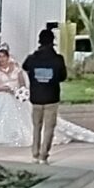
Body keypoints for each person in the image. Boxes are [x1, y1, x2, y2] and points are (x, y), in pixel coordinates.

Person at [21, 23, 67, 162]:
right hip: (52, 98)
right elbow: (63, 77)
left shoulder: (32, 58)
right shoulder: (58, 59)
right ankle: (43, 155)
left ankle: (34, 153)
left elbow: (25, 67)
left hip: (36, 98)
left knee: (36, 127)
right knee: (49, 128)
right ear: (52, 41)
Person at [0, 47, 31, 151]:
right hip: (2, 93)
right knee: (5, 101)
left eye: (3, 57)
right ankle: (3, 134)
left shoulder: (16, 68)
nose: (1, 59)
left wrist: (20, 92)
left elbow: (22, 83)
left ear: (8, 57)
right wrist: (4, 89)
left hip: (16, 94)